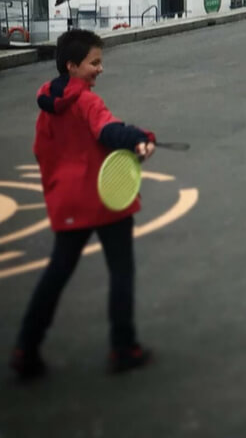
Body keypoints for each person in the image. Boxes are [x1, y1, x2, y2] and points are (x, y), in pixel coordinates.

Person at [9, 29, 156, 380]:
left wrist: (60, 185)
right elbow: (107, 131)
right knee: (121, 271)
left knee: (57, 274)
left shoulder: (47, 105)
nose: (100, 69)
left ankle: (25, 348)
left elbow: (41, 152)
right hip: (106, 199)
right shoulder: (88, 102)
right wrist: (140, 139)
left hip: (68, 199)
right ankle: (124, 348)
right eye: (94, 62)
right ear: (72, 66)